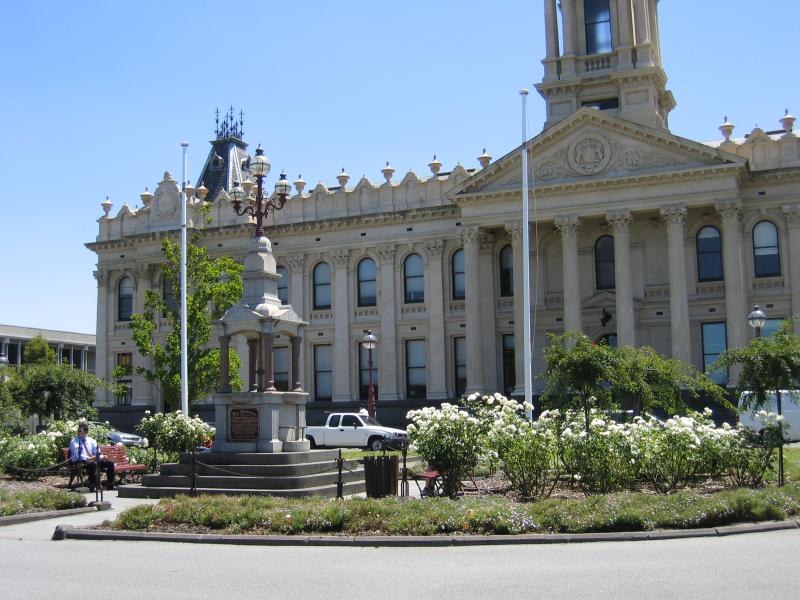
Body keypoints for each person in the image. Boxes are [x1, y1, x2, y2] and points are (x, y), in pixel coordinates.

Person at [69, 422, 116, 491]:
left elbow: (97, 452)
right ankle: (93, 485)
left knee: (110, 463)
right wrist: (89, 458)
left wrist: (102, 456)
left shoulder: (91, 440)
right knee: (94, 464)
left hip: (92, 460)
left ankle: (110, 484)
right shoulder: (74, 441)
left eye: (80, 431)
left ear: (86, 432)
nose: (78, 433)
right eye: (78, 431)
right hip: (80, 461)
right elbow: (78, 455)